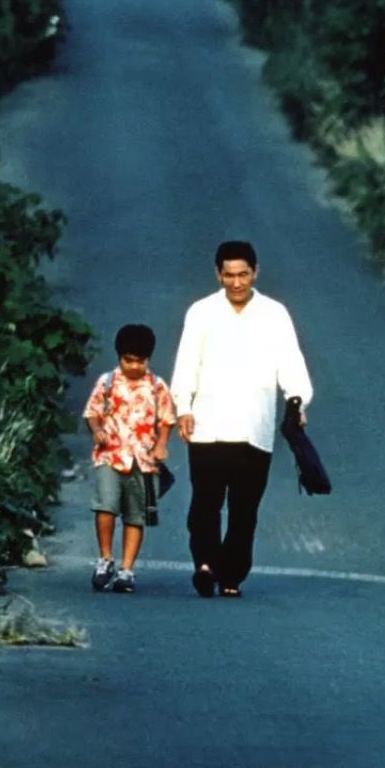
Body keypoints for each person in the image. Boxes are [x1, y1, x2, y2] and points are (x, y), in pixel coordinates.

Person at [170, 241, 313, 598]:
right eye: (229, 275)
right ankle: (205, 563)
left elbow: (290, 363)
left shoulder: (274, 314)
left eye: (243, 274)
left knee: (244, 507)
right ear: (218, 274)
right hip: (208, 424)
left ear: (255, 272)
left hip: (254, 426)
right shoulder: (201, 313)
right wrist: (183, 408)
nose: (236, 283)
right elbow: (187, 363)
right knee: (205, 501)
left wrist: (297, 401)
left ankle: (232, 574)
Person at [83, 324, 176, 594]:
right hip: (110, 454)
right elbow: (92, 412)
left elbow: (167, 419)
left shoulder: (156, 386)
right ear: (119, 357)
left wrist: (161, 445)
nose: (134, 366)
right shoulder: (108, 382)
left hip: (143, 460)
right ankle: (105, 559)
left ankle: (126, 569)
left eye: (140, 361)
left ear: (148, 359)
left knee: (136, 515)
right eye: (128, 360)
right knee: (106, 506)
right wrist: (97, 430)